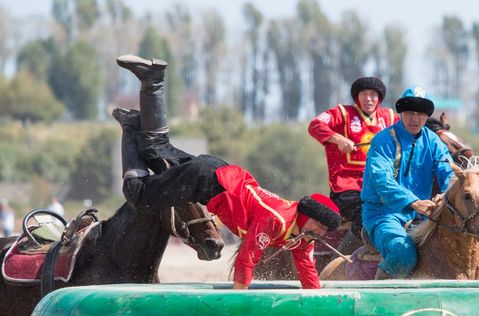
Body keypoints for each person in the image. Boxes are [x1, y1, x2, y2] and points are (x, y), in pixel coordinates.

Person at [114, 54, 341, 290]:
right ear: (308, 216)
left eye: (325, 230)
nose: (321, 234)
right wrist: (239, 299)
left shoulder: (303, 238)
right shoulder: (276, 219)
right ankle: (131, 125)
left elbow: (306, 268)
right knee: (137, 195)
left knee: (155, 149)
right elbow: (247, 258)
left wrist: (316, 297)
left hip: (216, 172)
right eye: (321, 226)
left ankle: (153, 79)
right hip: (207, 181)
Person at [361, 85, 454, 279]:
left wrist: (446, 192)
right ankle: (378, 300)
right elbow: (381, 180)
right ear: (401, 113)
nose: (415, 118)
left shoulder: (434, 141)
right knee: (403, 254)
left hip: (423, 215)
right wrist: (413, 202)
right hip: (383, 214)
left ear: (426, 116)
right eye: (410, 113)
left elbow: (449, 171)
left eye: (420, 114)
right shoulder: (383, 140)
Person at [308, 76, 398, 254]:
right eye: (364, 94)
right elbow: (315, 125)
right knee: (368, 212)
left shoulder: (388, 117)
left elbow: (410, 131)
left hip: (380, 184)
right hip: (346, 188)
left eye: (373, 94)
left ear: (379, 98)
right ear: (357, 97)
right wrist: (338, 138)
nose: (368, 98)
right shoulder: (342, 113)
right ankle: (342, 258)